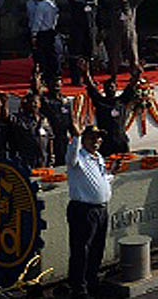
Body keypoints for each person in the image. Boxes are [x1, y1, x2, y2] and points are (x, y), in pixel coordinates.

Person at [65, 125, 112, 299]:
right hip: (83, 210)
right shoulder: (77, 156)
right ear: (83, 140)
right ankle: (79, 288)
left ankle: (92, 281)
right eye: (92, 137)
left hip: (100, 210)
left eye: (99, 137)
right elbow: (70, 158)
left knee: (97, 249)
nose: (96, 141)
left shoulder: (98, 157)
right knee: (81, 250)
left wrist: (110, 176)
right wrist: (76, 137)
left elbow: (99, 178)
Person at [95, 0, 152, 75]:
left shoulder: (131, 3)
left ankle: (135, 76)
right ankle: (113, 76)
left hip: (129, 31)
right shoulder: (113, 3)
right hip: (115, 32)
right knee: (115, 56)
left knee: (134, 55)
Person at [84, 64, 141, 156]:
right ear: (104, 89)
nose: (110, 88)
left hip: (121, 140)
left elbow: (131, 86)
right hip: (105, 143)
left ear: (116, 88)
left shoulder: (122, 101)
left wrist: (138, 74)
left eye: (112, 86)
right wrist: (86, 73)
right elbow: (91, 87)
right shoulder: (100, 102)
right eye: (108, 87)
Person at [61, 0, 100, 86]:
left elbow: (99, 14)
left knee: (90, 56)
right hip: (77, 31)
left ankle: (90, 78)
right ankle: (76, 79)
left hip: (90, 31)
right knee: (75, 56)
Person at [26, 0, 61, 83]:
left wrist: (34, 34)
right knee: (51, 54)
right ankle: (54, 74)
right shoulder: (53, 5)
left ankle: (43, 74)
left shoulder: (42, 6)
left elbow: (38, 20)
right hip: (50, 31)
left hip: (41, 32)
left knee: (41, 55)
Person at [10, 92, 54, 169]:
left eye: (35, 102)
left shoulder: (44, 120)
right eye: (31, 102)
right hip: (26, 160)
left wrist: (51, 156)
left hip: (43, 159)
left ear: (40, 104)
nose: (34, 105)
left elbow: (50, 138)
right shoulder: (20, 119)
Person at [40, 72, 76, 167]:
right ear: (48, 85)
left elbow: (70, 120)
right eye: (53, 84)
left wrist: (76, 137)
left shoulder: (66, 101)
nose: (56, 86)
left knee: (64, 163)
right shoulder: (45, 100)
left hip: (64, 138)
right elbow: (36, 93)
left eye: (58, 84)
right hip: (50, 139)